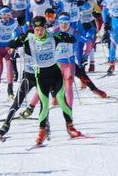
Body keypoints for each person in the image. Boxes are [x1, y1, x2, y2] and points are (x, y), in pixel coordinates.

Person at [9, 16, 82, 146]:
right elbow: (11, 45)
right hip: (41, 75)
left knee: (61, 100)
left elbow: (73, 39)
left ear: (45, 28)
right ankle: (42, 132)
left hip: (55, 73)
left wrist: (65, 36)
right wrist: (18, 39)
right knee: (44, 104)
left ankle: (70, 127)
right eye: (37, 29)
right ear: (34, 29)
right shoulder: (29, 40)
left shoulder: (53, 36)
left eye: (42, 29)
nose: (40, 32)